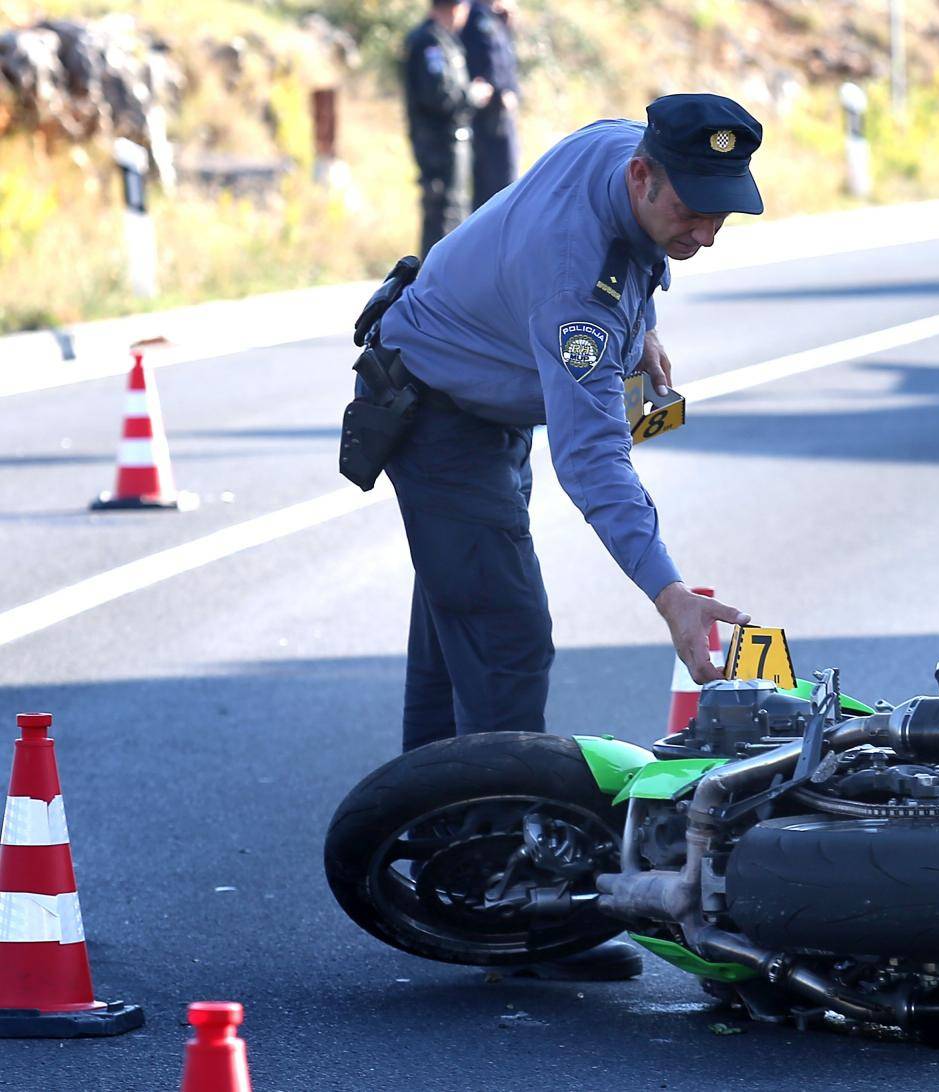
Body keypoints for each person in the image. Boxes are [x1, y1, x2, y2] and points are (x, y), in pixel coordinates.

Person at [370, 96, 763, 974]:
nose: (703, 232)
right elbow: (592, 461)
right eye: (689, 211)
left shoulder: (625, 149)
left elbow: (633, 237)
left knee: (461, 628)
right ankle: (515, 909)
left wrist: (645, 323)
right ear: (642, 176)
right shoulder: (571, 289)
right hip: (442, 418)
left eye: (721, 211)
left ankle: (432, 843)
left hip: (479, 393)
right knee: (507, 639)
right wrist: (672, 597)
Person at [401, 0, 494, 257]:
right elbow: (439, 96)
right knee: (442, 218)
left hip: (451, 143)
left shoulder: (445, 40)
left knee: (454, 214)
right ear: (456, 8)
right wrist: (472, 94)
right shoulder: (429, 43)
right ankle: (427, 290)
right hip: (438, 145)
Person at [460, 0, 521, 209]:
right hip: (486, 115)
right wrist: (498, 93)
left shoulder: (496, 16)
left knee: (507, 182)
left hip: (502, 116)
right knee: (492, 188)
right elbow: (481, 65)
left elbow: (506, 61)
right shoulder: (474, 15)